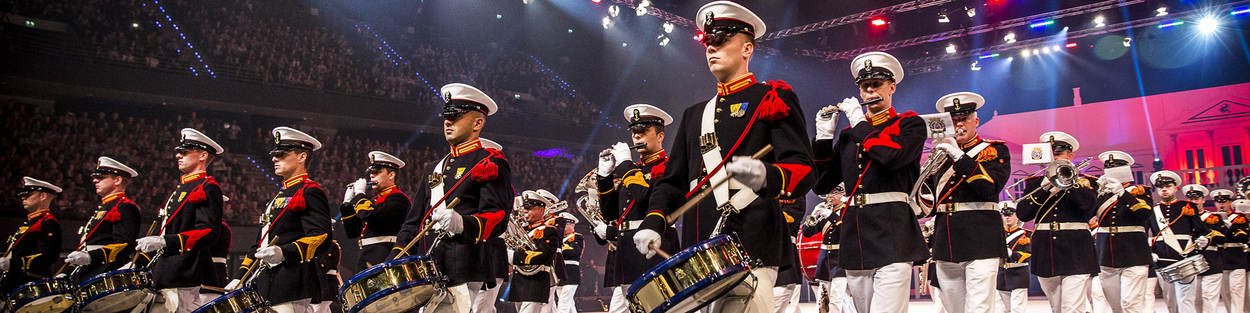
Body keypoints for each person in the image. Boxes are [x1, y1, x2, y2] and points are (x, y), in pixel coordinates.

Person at [638, 2, 814, 312]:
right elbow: (672, 182)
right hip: (700, 253)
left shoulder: (770, 99)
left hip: (752, 246)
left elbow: (803, 168)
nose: (711, 48)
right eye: (708, 43)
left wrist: (768, 176)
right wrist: (654, 221)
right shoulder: (694, 116)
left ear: (747, 48)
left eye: (721, 40)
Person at [811, 50, 928, 313]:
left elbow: (892, 156)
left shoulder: (909, 123)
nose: (870, 91)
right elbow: (821, 185)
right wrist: (822, 138)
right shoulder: (849, 135)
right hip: (857, 234)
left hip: (894, 231)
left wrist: (858, 123)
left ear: (892, 87)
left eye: (876, 84)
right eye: (865, 86)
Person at [392, 83, 513, 313]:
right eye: (446, 117)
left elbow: (497, 216)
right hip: (431, 268)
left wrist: (462, 224)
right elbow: (414, 221)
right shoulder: (434, 167)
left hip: (467, 266)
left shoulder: (490, 162)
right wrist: (396, 256)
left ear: (478, 123)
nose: (448, 122)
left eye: (456, 117)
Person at [919, 92, 1010, 313]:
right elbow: (925, 203)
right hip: (946, 240)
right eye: (953, 119)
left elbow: (989, 187)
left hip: (982, 239)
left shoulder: (994, 150)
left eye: (964, 118)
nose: (959, 124)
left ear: (975, 121)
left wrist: (959, 157)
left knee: (979, 307)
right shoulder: (938, 157)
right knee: (953, 308)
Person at [232, 126, 332, 313]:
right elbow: (261, 242)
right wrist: (241, 275)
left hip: (292, 281)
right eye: (275, 154)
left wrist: (284, 252)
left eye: (282, 155)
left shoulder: (309, 191)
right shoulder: (279, 196)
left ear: (302, 156)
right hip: (267, 283)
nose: (274, 159)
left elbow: (322, 236)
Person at [592, 104, 679, 313]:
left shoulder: (668, 166)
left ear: (660, 136)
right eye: (634, 133)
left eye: (643, 131)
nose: (637, 137)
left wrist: (624, 165)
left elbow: (644, 198)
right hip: (627, 248)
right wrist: (603, 178)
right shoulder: (633, 170)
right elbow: (611, 213)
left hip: (655, 247)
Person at [136, 128, 225, 313]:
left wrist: (165, 241)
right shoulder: (182, 188)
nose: (178, 155)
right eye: (179, 151)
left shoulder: (207, 187)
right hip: (167, 270)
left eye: (184, 152)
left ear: (202, 155)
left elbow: (208, 232)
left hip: (185, 270)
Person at [1014, 131, 1100, 313]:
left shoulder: (1086, 181)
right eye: (1051, 153)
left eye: (1058, 153)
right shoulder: (1035, 183)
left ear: (1070, 156)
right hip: (1046, 249)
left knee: (1072, 308)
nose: (1054, 157)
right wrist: (1046, 187)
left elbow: (1089, 207)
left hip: (1077, 249)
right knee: (1057, 308)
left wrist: (1067, 182)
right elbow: (1023, 214)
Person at [1089, 151, 1154, 313]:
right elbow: (1086, 215)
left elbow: (1144, 213)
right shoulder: (1102, 193)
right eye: (1108, 169)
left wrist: (1123, 194)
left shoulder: (1140, 191)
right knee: (1116, 306)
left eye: (1116, 169)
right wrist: (1095, 192)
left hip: (1134, 254)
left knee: (1131, 304)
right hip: (1107, 255)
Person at [65, 157, 142, 280]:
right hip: (90, 269)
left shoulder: (124, 207)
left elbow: (124, 245)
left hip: (104, 272)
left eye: (101, 178)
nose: (95, 180)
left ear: (117, 180)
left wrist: (91, 257)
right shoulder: (104, 207)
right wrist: (69, 270)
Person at [1149, 170, 1207, 313]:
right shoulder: (1152, 210)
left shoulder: (1187, 207)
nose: (1164, 189)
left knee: (1185, 299)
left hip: (1185, 257)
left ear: (1176, 188)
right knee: (1170, 301)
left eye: (1168, 186)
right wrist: (1149, 252)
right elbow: (1145, 234)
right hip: (1162, 259)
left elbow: (1202, 230)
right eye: (1160, 187)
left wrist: (1204, 240)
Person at [1, 177, 64, 292]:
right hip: (15, 281)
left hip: (31, 284)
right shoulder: (30, 221)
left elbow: (49, 255)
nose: (23, 198)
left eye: (28, 195)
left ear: (43, 196)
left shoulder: (48, 222)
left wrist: (14, 264)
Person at [506, 191, 561, 313]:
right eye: (525, 208)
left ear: (541, 210)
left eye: (530, 209)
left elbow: (544, 255)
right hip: (519, 280)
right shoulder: (521, 230)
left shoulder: (549, 231)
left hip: (536, 280)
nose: (525, 211)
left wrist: (515, 256)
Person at [801, 186, 850, 313]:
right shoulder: (825, 211)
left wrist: (831, 216)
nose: (829, 197)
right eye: (828, 194)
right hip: (824, 259)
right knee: (823, 299)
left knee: (836, 299)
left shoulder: (847, 210)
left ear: (842, 194)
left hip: (840, 258)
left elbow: (845, 232)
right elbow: (807, 233)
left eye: (833, 194)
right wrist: (813, 215)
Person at [1213, 189, 1247, 313]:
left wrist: (1230, 227)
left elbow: (1244, 237)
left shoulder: (1239, 218)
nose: (1221, 205)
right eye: (1218, 202)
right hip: (1221, 260)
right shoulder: (1212, 219)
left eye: (1225, 201)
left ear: (1230, 203)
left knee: (1237, 292)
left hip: (1237, 258)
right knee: (1226, 294)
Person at [997, 202, 1031, 313]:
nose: (1007, 218)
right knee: (1002, 309)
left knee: (1017, 308)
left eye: (1010, 214)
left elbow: (1029, 254)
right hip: (1001, 273)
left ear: (1017, 215)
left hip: (1019, 273)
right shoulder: (998, 234)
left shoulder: (1026, 234)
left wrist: (1012, 254)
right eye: (1004, 215)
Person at [554, 213, 583, 313]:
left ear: (572, 225)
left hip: (571, 273)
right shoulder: (558, 239)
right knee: (569, 304)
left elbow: (574, 252)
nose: (562, 228)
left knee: (563, 303)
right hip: (559, 272)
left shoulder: (577, 237)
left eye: (565, 225)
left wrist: (559, 250)